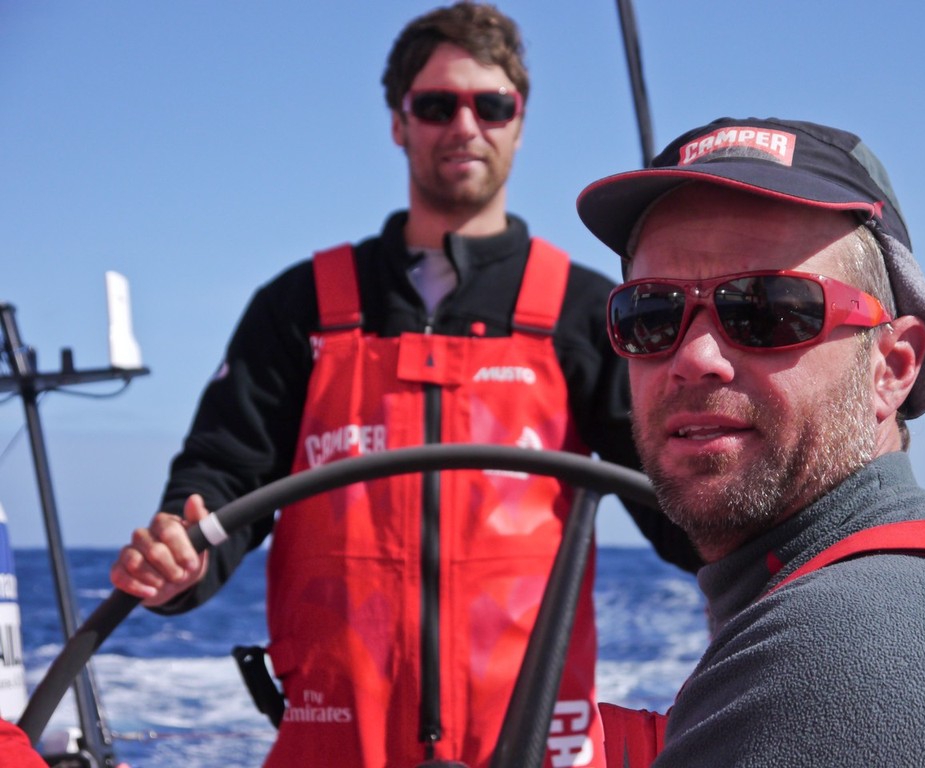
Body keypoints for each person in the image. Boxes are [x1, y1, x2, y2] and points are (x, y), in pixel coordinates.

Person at [109, 3, 700, 767]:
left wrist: (784, 554)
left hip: (528, 749)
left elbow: (686, 509)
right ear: (399, 122)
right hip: (336, 744)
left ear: (520, 122)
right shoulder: (301, 308)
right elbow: (219, 483)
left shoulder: (586, 312)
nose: (465, 125)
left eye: (491, 105)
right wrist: (176, 560)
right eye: (435, 105)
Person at [576, 116, 925, 765]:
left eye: (765, 309)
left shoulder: (837, 658)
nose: (695, 355)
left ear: (892, 367)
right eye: (651, 314)